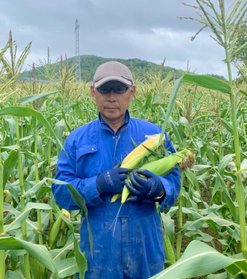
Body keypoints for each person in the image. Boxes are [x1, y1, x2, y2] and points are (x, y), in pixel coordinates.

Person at [51, 61, 181, 279]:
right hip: (98, 253)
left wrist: (158, 188)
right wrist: (97, 185)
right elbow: (62, 193)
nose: (111, 97)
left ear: (132, 93)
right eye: (104, 89)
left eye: (119, 89)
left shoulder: (155, 136)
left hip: (145, 248)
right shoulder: (76, 139)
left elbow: (174, 185)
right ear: (93, 92)